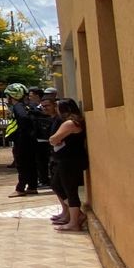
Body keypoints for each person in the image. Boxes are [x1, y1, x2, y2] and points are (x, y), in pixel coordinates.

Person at [49, 98, 89, 231]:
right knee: (57, 185)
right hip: (72, 159)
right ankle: (76, 215)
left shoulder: (69, 124)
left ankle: (74, 222)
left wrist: (54, 140)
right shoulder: (77, 122)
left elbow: (54, 139)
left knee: (69, 190)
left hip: (69, 160)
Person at [4, 83, 39, 196]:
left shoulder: (18, 107)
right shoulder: (26, 106)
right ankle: (32, 187)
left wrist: (22, 132)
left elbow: (23, 118)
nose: (7, 98)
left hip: (23, 141)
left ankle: (20, 188)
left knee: (22, 165)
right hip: (29, 140)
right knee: (30, 164)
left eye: (8, 95)